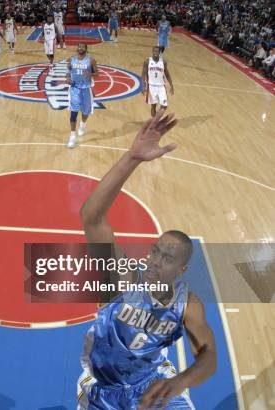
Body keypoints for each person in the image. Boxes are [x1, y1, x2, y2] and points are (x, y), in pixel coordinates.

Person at [77, 111, 217, 409]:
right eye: (155, 251)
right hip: (103, 388)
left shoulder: (186, 303)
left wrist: (181, 380)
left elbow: (208, 356)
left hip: (153, 383)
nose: (154, 261)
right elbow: (92, 217)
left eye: (166, 259)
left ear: (181, 269)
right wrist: (132, 158)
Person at [66, 42, 98, 148]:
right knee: (73, 113)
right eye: (78, 46)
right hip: (74, 89)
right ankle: (72, 136)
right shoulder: (71, 59)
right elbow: (68, 70)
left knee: (86, 111)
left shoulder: (91, 60)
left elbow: (97, 74)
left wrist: (90, 74)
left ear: (86, 49)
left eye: (82, 47)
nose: (80, 48)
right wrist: (67, 78)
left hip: (86, 89)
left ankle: (83, 125)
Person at [142, 46, 174, 117]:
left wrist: (171, 85)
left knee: (165, 105)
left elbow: (167, 75)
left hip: (161, 86)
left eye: (157, 51)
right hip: (151, 86)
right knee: (153, 106)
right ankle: (154, 123)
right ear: (152, 52)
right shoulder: (147, 61)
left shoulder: (163, 62)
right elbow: (143, 75)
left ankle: (157, 118)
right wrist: (143, 86)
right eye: (154, 51)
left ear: (160, 53)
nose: (156, 53)